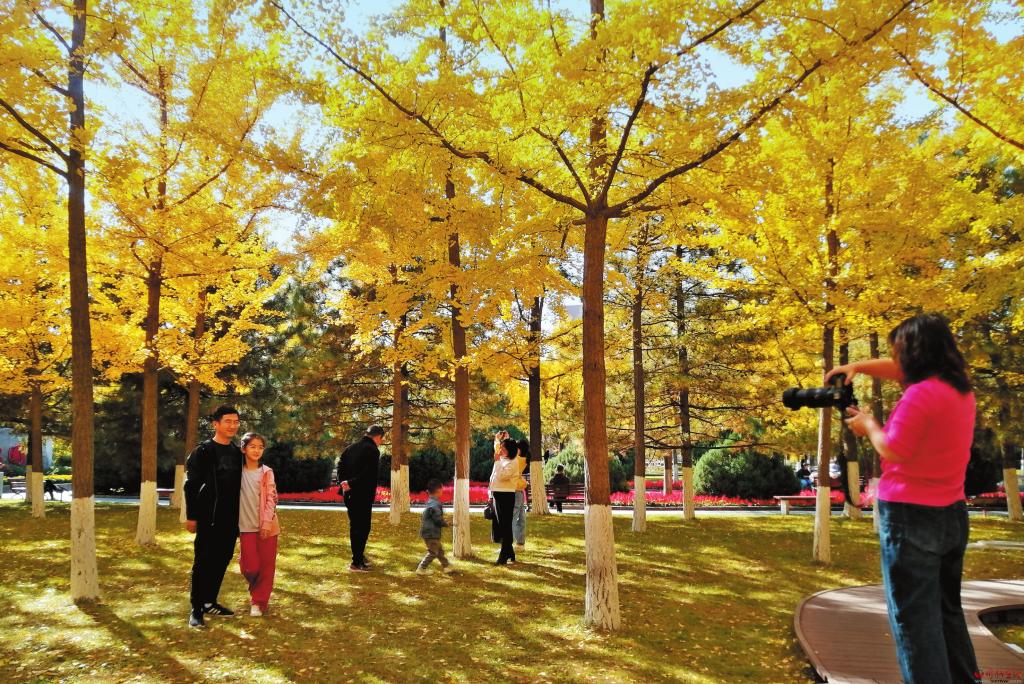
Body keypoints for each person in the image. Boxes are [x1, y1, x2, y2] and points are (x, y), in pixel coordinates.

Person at [828, 313, 978, 684]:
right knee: (947, 613)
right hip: (951, 516)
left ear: (914, 354)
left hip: (911, 519)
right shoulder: (959, 388)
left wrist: (869, 425)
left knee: (914, 621)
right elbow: (900, 371)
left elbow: (894, 449)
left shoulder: (920, 396)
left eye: (899, 352)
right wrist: (858, 367)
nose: (895, 360)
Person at [184, 405, 244, 628]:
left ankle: (210, 601)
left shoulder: (238, 453)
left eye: (236, 422)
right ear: (216, 424)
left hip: (232, 518)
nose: (232, 426)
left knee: (222, 559)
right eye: (228, 421)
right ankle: (196, 608)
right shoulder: (203, 452)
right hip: (208, 517)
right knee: (203, 562)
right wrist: (192, 516)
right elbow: (191, 486)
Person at [237, 433, 280, 617]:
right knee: (250, 567)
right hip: (245, 526)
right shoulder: (236, 472)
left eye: (260, 447)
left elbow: (271, 499)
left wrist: (266, 523)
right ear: (243, 448)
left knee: (266, 567)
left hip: (267, 527)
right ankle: (254, 584)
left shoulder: (266, 472)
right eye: (252, 446)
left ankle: (259, 602)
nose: (257, 450)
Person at [338, 425, 384, 572]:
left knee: (355, 526)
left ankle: (358, 556)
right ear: (378, 437)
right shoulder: (373, 450)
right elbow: (368, 474)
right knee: (363, 528)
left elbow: (340, 466)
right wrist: (351, 483)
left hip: (349, 494)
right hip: (362, 494)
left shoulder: (350, 448)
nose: (380, 442)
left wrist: (344, 483)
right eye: (381, 439)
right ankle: (356, 562)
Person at [488, 438, 521, 565]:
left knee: (504, 525)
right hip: (497, 493)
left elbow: (502, 476)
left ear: (510, 450)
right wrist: (497, 439)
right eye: (501, 447)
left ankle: (504, 555)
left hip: (506, 495)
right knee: (500, 525)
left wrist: (497, 462)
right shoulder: (503, 459)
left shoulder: (513, 462)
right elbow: (494, 476)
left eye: (503, 448)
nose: (500, 450)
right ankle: (509, 552)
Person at [415, 478, 454, 575]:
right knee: (433, 552)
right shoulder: (435, 504)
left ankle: (446, 566)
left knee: (439, 551)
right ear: (439, 490)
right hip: (431, 533)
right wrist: (445, 523)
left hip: (430, 532)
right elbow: (437, 519)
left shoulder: (431, 501)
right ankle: (421, 568)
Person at [513, 439, 530, 550]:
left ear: (519, 449)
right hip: (519, 491)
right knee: (521, 517)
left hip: (514, 490)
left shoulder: (516, 459)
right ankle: (520, 543)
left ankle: (508, 544)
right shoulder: (524, 459)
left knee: (512, 518)